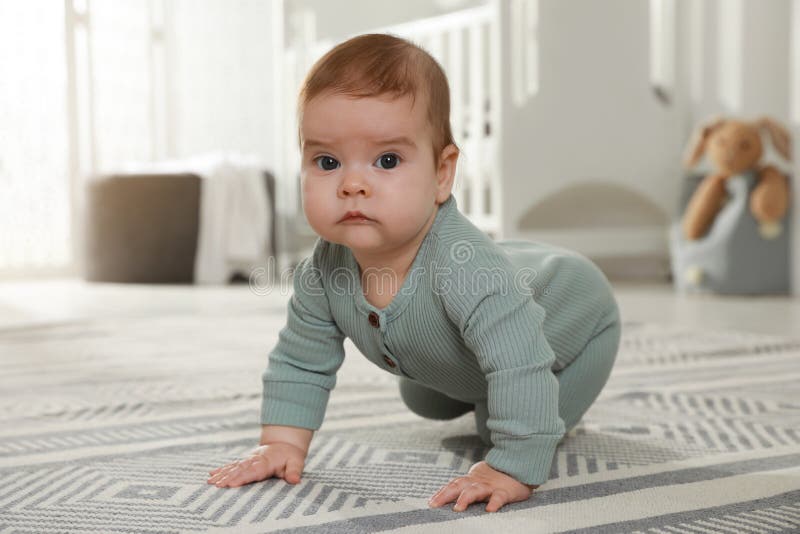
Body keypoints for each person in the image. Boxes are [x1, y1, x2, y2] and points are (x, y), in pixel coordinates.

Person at [207, 32, 621, 514]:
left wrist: (510, 465)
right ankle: (478, 391)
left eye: (387, 160)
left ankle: (522, 418)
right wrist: (281, 443)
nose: (352, 184)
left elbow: (519, 364)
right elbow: (301, 360)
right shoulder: (324, 269)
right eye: (326, 161)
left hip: (577, 322)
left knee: (504, 425)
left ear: (442, 174)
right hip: (473, 341)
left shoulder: (466, 269)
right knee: (421, 397)